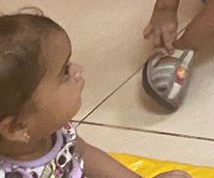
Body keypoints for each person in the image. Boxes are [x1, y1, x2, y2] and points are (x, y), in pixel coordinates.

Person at [0, 11, 187, 178]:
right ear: (18, 127)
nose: (77, 70)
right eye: (64, 72)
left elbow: (83, 153)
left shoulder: (49, 128)